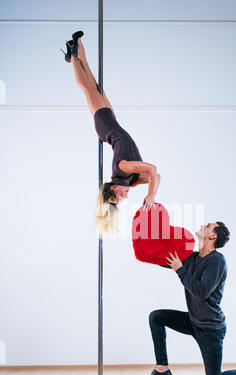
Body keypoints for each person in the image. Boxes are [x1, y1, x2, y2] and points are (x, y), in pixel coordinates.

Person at [140, 222, 236, 375]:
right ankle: (162, 370)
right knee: (156, 317)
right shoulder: (192, 257)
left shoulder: (217, 261)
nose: (203, 225)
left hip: (211, 329)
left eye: (208, 225)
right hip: (194, 320)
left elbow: (202, 292)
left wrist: (180, 270)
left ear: (213, 235)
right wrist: (147, 245)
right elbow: (165, 261)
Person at [61, 31, 161, 235]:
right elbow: (156, 176)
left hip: (105, 124)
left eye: (119, 197)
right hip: (112, 121)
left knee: (88, 88)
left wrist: (151, 196)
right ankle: (75, 46)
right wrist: (151, 191)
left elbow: (151, 167)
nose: (125, 197)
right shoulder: (130, 181)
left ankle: (72, 57)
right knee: (95, 85)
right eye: (123, 198)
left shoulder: (123, 168)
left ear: (113, 189)